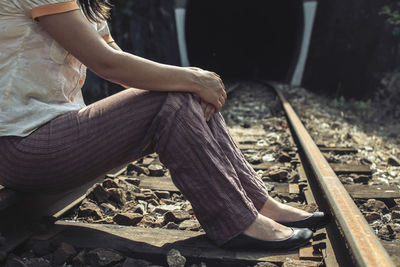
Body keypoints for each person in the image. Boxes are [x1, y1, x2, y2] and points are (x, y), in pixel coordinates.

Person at [0, 0, 328, 250]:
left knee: (178, 93)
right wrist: (193, 78)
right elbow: (106, 63)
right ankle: (236, 222)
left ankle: (257, 203)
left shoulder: (85, 4)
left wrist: (188, 85)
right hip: (23, 145)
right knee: (174, 94)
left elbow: (121, 59)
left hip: (56, 133)